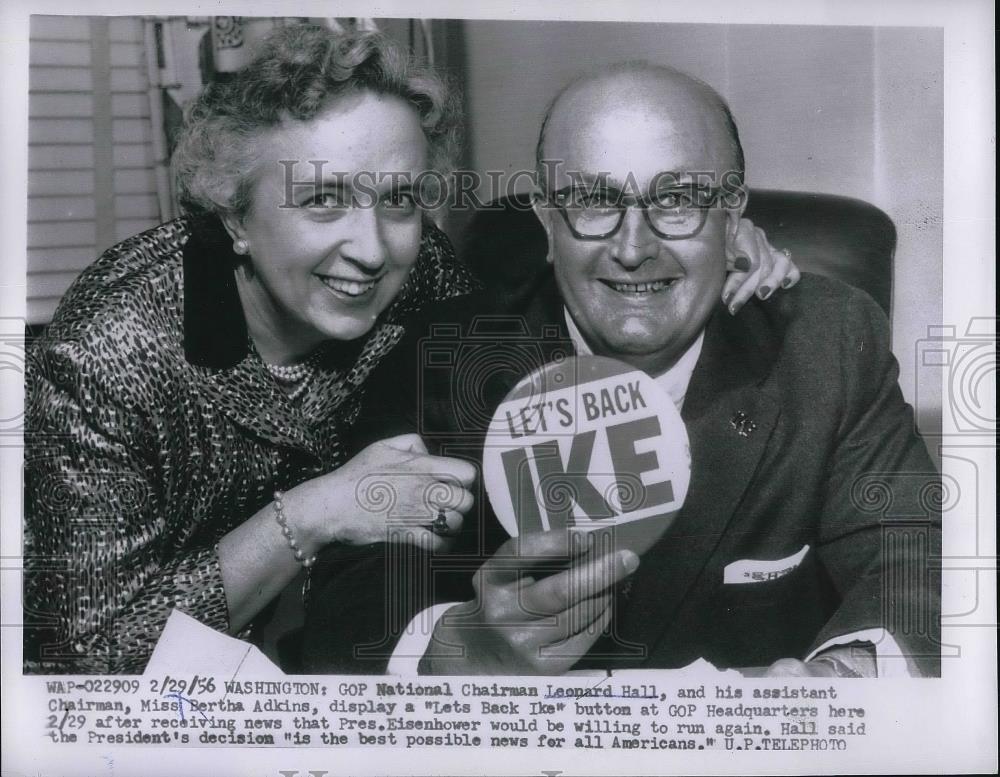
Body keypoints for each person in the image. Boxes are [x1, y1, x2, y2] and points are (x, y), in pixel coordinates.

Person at [23, 29, 792, 674]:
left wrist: (708, 237)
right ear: (232, 214)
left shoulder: (421, 268)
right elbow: (90, 655)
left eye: (398, 200)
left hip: (309, 669)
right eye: (322, 199)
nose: (370, 249)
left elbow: (554, 262)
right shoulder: (111, 347)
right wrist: (310, 514)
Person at [302, 62, 941, 678]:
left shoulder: (827, 341)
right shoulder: (439, 359)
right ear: (548, 225)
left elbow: (913, 556)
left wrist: (850, 672)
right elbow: (352, 601)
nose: (634, 248)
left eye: (679, 200)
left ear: (732, 219)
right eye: (592, 201)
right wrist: (453, 649)